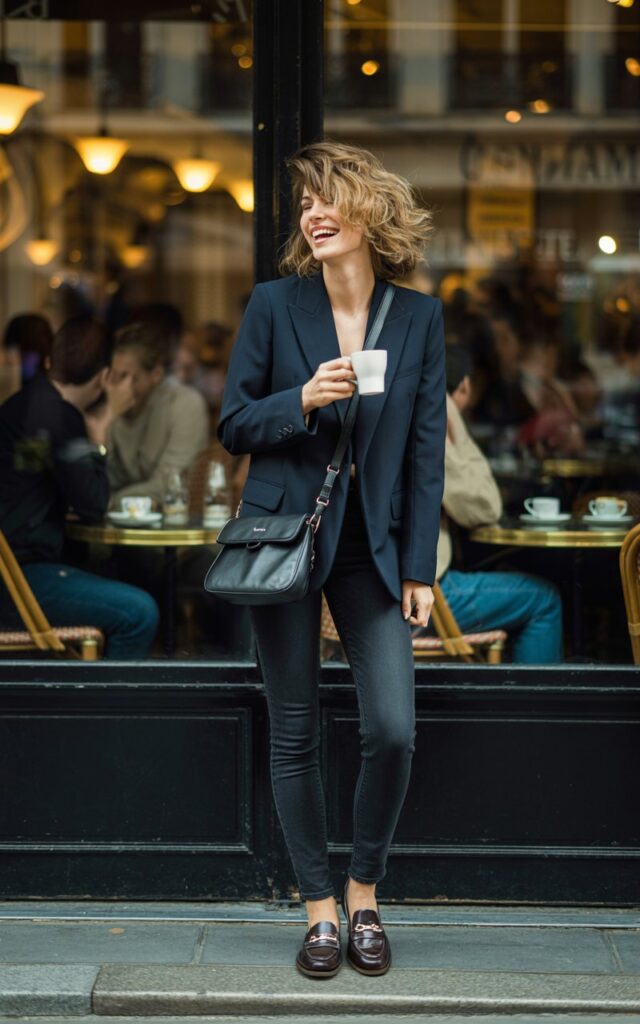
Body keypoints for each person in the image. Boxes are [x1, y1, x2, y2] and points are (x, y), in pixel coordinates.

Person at [217, 141, 446, 978]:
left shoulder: (419, 318)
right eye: (306, 201)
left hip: (373, 555)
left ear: (370, 213)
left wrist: (419, 568)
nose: (313, 213)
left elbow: (428, 452)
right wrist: (301, 399)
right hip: (286, 542)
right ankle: (318, 909)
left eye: (329, 198)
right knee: (295, 729)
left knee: (392, 728)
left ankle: (364, 892)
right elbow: (235, 422)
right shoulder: (275, 306)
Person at [0, 315, 159, 659]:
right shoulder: (60, 417)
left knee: (110, 570)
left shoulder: (20, 406)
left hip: (14, 570)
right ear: (103, 377)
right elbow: (94, 504)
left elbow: (36, 478)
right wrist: (102, 430)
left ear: (49, 361)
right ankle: (103, 712)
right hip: (18, 582)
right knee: (140, 612)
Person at [417, 344, 563, 664]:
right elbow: (485, 508)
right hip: (422, 601)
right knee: (544, 600)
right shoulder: (429, 417)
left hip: (378, 600)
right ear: (466, 387)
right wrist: (449, 413)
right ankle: (537, 711)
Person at [106, 321, 209, 506]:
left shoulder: (184, 403)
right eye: (114, 377)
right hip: (118, 517)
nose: (119, 388)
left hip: (174, 518)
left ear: (156, 374)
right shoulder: (110, 405)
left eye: (128, 377)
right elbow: (103, 477)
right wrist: (108, 420)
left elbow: (169, 484)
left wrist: (108, 501)